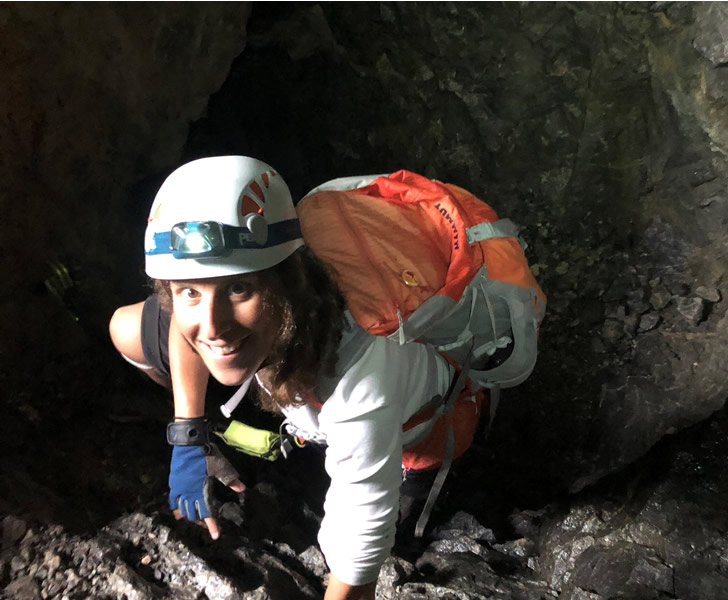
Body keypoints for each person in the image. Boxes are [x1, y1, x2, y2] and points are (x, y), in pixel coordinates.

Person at [108, 156, 486, 600]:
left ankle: (421, 475)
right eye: (190, 290)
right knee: (128, 329)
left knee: (397, 533)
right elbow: (182, 316)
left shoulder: (359, 378)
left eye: (237, 288)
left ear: (286, 283)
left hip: (414, 425)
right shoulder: (256, 293)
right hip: (279, 365)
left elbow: (357, 561)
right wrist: (189, 435)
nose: (211, 325)